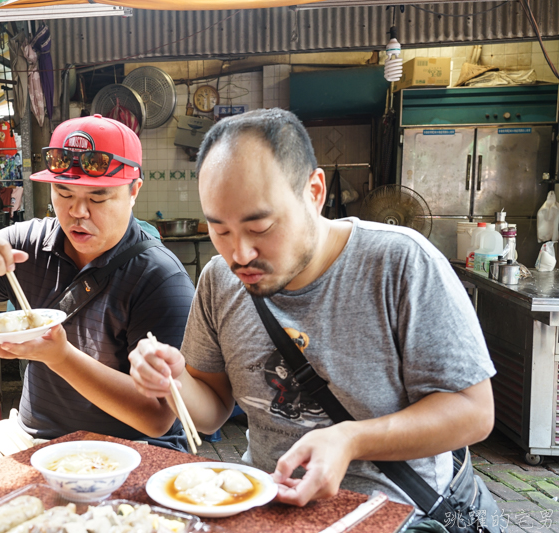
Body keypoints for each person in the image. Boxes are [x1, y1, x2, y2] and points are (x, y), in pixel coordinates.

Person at [128, 109, 496, 513]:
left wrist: (351, 438)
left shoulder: (400, 262)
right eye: (220, 230)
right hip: (270, 506)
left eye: (260, 227)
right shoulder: (219, 279)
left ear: (315, 191)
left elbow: (474, 412)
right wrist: (173, 379)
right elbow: (212, 413)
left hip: (391, 512)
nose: (240, 254)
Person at [0, 114, 195, 456]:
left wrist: (59, 356)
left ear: (134, 191)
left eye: (98, 197)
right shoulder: (26, 246)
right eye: (63, 192)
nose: (78, 212)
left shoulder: (160, 277)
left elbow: (158, 418)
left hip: (133, 450)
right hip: (30, 438)